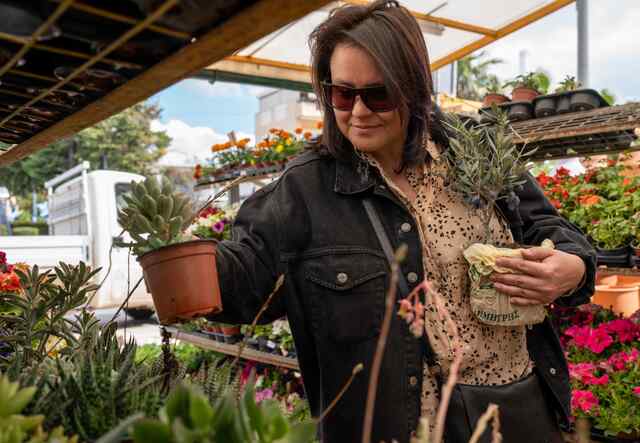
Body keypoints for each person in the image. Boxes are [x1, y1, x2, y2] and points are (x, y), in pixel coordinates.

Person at [209, 1, 596, 442]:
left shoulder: (473, 151)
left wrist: (571, 266)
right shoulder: (305, 190)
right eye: (342, 93)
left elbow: (550, 227)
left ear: (412, 88)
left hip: (514, 413)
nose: (357, 112)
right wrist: (175, 257)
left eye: (378, 95)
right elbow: (240, 283)